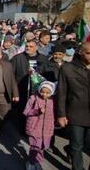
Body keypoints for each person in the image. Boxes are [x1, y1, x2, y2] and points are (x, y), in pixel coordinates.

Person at [57, 42, 90, 170]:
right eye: (88, 53)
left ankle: (69, 149)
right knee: (77, 144)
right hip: (76, 112)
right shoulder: (67, 68)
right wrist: (61, 114)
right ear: (80, 52)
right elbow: (61, 93)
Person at [23, 81, 55, 170]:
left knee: (41, 149)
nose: (44, 94)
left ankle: (37, 163)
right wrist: (37, 111)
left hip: (46, 130)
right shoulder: (33, 98)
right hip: (34, 128)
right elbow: (26, 111)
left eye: (47, 93)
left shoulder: (53, 101)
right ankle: (31, 163)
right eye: (42, 91)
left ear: (51, 92)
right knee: (34, 148)